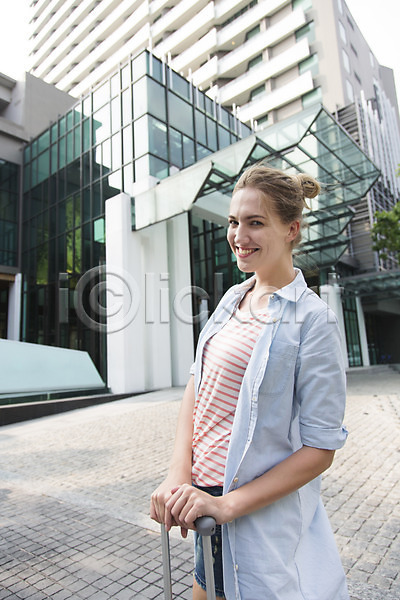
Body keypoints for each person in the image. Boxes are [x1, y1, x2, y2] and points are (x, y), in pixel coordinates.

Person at [150, 164, 349, 600]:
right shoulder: (232, 298)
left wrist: (225, 506)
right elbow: (196, 385)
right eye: (234, 222)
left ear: (291, 229)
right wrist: (177, 475)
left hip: (248, 514)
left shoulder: (314, 321)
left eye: (255, 223)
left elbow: (320, 450)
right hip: (202, 504)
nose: (239, 235)